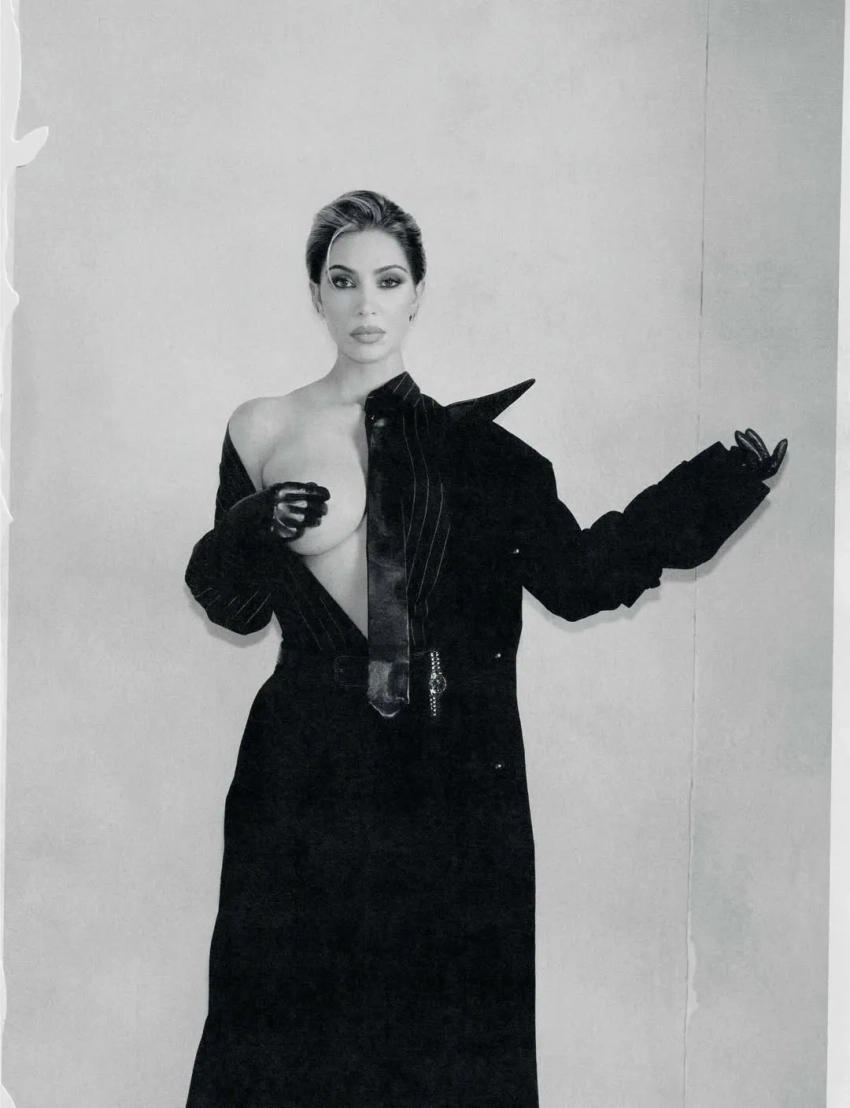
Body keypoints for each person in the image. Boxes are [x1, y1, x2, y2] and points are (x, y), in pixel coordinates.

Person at [183, 189, 787, 1107]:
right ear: (315, 294)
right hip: (301, 766)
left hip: (448, 773)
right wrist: (252, 526)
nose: (366, 304)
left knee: (445, 1037)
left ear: (419, 293)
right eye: (343, 281)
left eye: (389, 281)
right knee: (281, 1022)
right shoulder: (260, 427)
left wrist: (722, 481)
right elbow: (231, 606)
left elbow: (582, 577)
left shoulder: (487, 458)